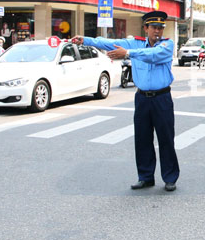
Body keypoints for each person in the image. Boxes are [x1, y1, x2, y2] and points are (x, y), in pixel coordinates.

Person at [71, 10, 180, 192]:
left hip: (162, 98)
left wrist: (128, 53)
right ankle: (145, 177)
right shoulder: (134, 43)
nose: (157, 31)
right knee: (142, 138)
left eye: (160, 28)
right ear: (145, 28)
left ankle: (170, 178)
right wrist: (85, 40)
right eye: (153, 27)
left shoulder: (166, 45)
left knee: (166, 139)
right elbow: (109, 43)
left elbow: (152, 54)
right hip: (143, 98)